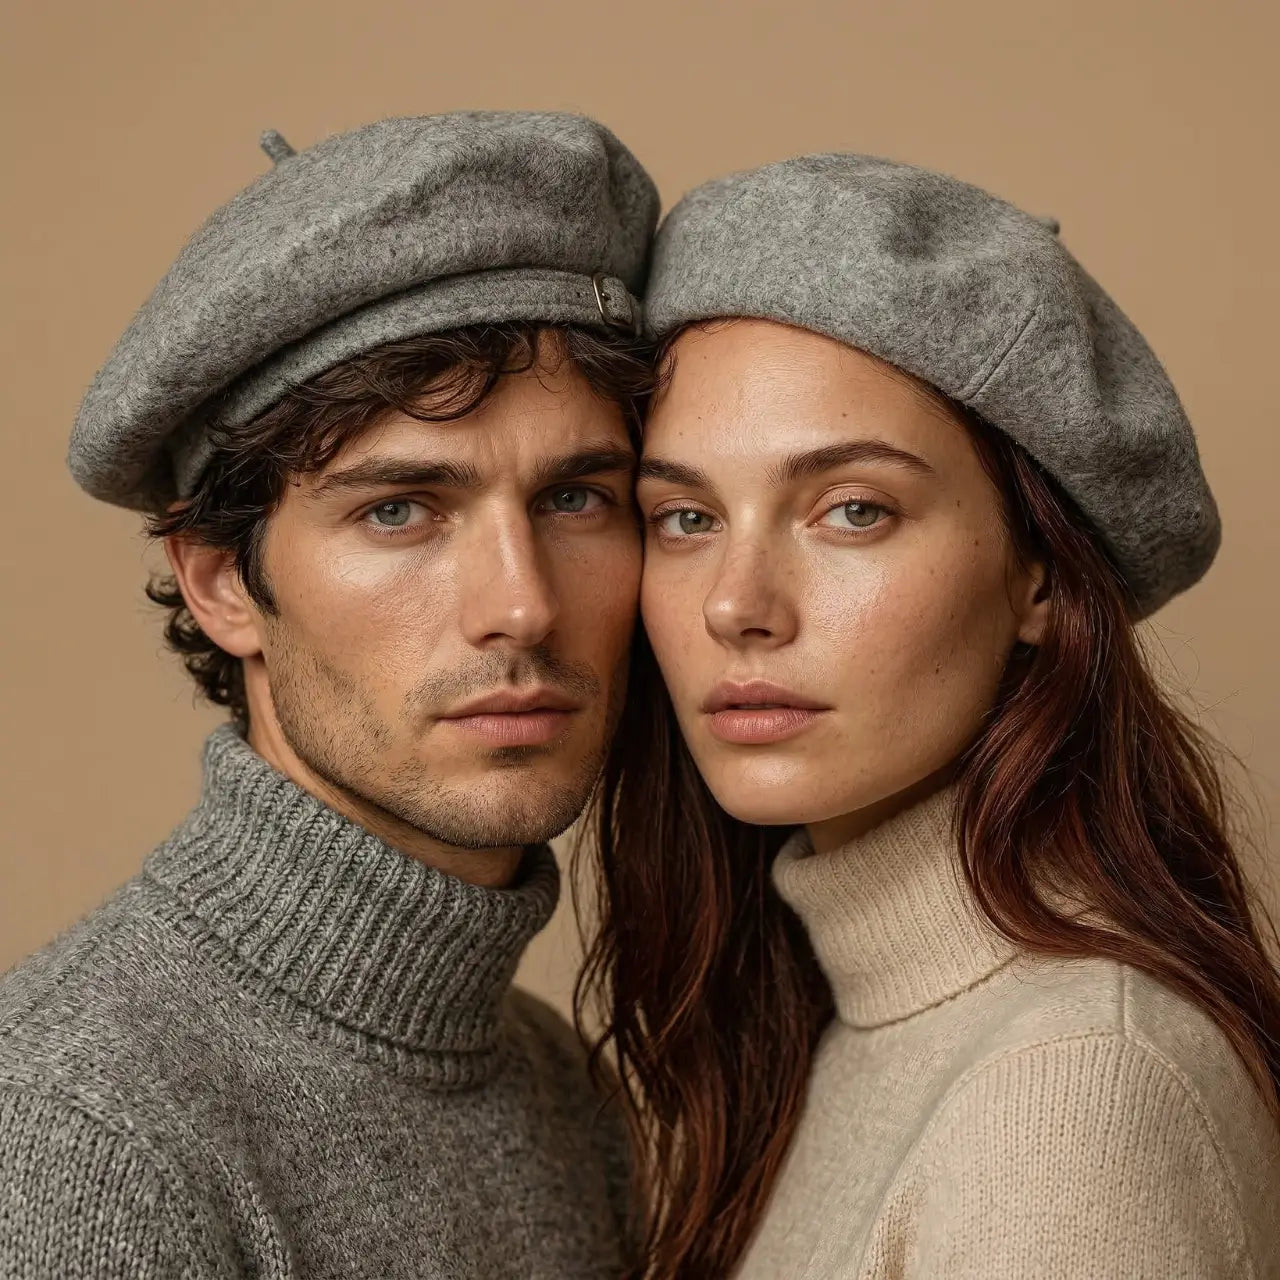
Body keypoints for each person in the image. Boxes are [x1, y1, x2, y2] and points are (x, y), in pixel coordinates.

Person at [579, 154, 1280, 1278]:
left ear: (1039, 578)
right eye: (683, 516)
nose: (736, 605)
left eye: (851, 510)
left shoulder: (1065, 1099)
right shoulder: (825, 1032)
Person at [0, 111, 659, 1279]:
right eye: (398, 509)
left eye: (574, 500)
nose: (521, 605)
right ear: (221, 583)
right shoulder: (78, 1130)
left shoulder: (558, 1084)